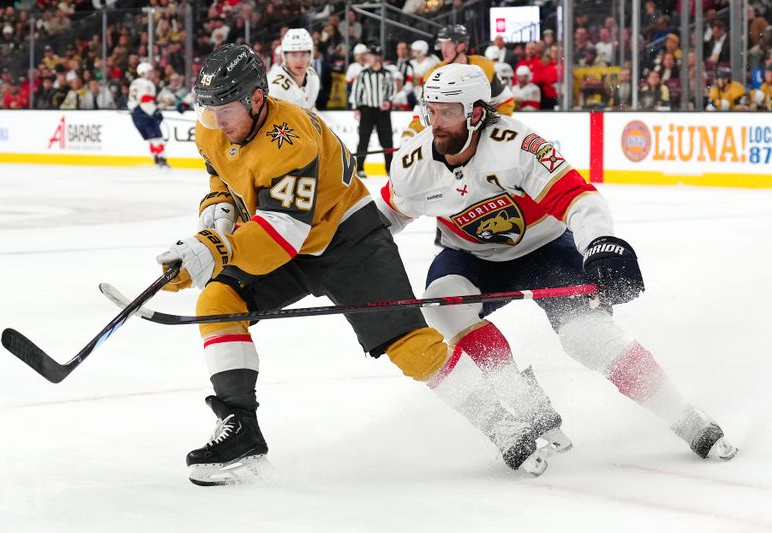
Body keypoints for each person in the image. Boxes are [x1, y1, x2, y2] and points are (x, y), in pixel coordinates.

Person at [156, 44, 567, 485]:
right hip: (284, 236)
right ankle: (242, 437)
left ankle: (504, 426)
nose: (218, 121)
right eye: (209, 108)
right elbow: (221, 172)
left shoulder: (291, 139)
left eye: (228, 109)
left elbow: (280, 240)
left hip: (348, 240)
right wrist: (218, 210)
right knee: (218, 300)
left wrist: (217, 249)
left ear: (257, 98)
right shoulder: (212, 126)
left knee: (411, 347)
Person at [376, 63, 739, 466]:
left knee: (588, 338)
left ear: (477, 113)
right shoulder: (413, 162)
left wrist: (600, 243)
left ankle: (685, 417)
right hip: (470, 257)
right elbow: (385, 217)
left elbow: (578, 199)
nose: (435, 123)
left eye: (449, 112)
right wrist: (341, 256)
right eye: (431, 110)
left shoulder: (518, 145)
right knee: (441, 302)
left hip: (546, 249)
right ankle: (522, 401)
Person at [402, 24, 514, 140]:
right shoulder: (434, 74)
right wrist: (412, 132)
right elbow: (423, 109)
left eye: (448, 44)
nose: (443, 50)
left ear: (461, 45)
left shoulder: (483, 67)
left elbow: (505, 100)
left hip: (478, 133)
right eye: (442, 44)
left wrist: (495, 129)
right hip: (450, 135)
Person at [350, 43, 398, 177]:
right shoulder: (363, 74)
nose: (368, 58)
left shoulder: (387, 74)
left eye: (370, 55)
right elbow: (357, 91)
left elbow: (392, 90)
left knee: (387, 141)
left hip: (383, 111)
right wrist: (357, 108)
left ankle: (390, 169)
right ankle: (359, 168)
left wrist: (388, 102)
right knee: (363, 139)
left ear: (377, 57)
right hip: (367, 110)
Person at [266, 28, 320, 111]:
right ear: (285, 56)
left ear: (311, 55)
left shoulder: (313, 76)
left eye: (303, 54)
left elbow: (311, 110)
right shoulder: (274, 87)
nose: (299, 61)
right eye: (293, 55)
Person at [128, 62, 169, 168]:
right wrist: (154, 111)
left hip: (135, 113)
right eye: (150, 71)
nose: (152, 74)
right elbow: (144, 99)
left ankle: (155, 157)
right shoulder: (147, 83)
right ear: (143, 72)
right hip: (144, 112)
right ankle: (161, 158)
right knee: (157, 136)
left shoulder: (134, 83)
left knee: (151, 138)